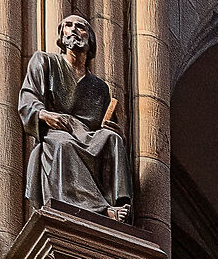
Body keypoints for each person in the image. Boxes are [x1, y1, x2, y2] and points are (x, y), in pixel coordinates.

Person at [18, 15, 136, 221]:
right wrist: (44, 114)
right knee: (64, 145)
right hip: (57, 131)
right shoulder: (44, 62)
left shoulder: (99, 87)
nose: (73, 30)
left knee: (112, 139)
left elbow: (102, 124)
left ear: (90, 40)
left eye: (80, 27)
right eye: (68, 26)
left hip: (87, 136)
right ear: (61, 35)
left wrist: (112, 128)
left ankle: (119, 206)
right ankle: (101, 210)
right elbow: (28, 98)